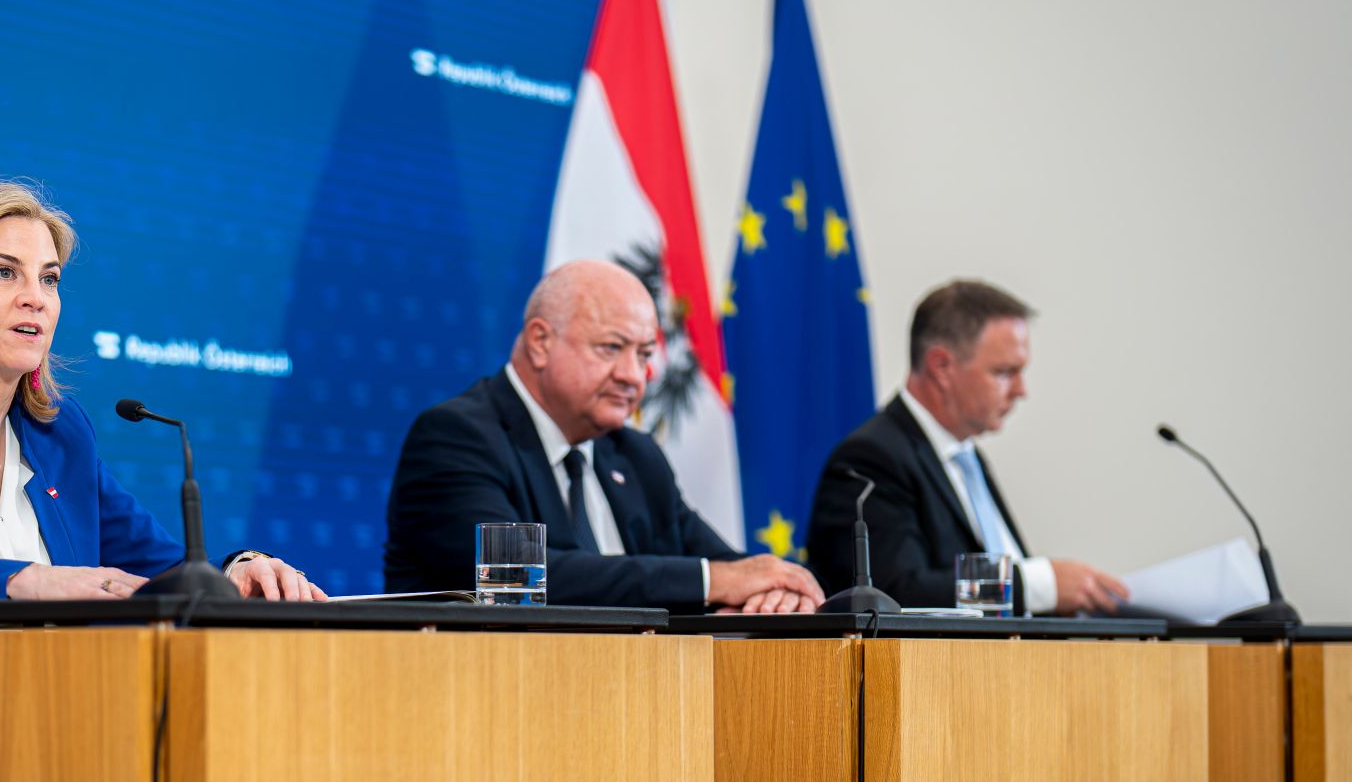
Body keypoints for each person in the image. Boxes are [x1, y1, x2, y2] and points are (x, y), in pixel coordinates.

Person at [0, 180, 324, 604]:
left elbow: (160, 572)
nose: (35, 298)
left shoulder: (58, 434)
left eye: (49, 279)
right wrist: (24, 581)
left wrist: (237, 572)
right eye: (3, 273)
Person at [384, 259, 822, 613]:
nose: (635, 376)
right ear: (540, 342)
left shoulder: (634, 454)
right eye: (611, 349)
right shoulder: (457, 437)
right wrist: (714, 583)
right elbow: (516, 580)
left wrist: (776, 592)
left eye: (645, 354)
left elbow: (733, 568)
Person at [807, 279, 1128, 614]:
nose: (1021, 390)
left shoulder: (966, 459)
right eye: (1005, 372)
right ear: (942, 367)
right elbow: (894, 593)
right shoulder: (869, 459)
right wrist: (1037, 586)